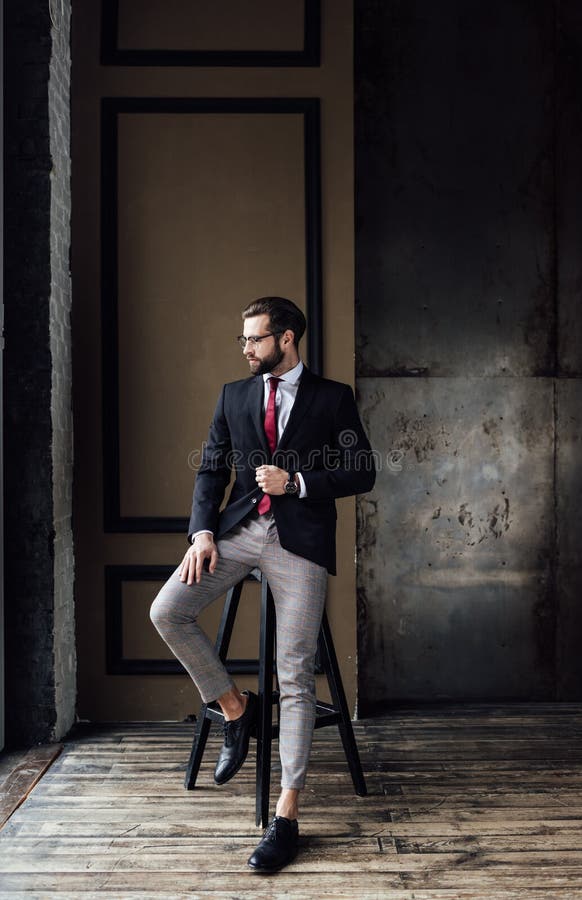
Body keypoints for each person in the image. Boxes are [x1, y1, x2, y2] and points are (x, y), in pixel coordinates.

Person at [150, 296, 375, 873]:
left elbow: (362, 470)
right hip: (237, 533)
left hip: (298, 540)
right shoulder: (235, 395)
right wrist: (202, 532)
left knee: (295, 672)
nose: (246, 348)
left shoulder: (332, 398)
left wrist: (296, 481)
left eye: (255, 339)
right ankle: (235, 707)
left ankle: (287, 815)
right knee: (167, 610)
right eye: (245, 340)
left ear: (288, 339)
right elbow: (211, 468)